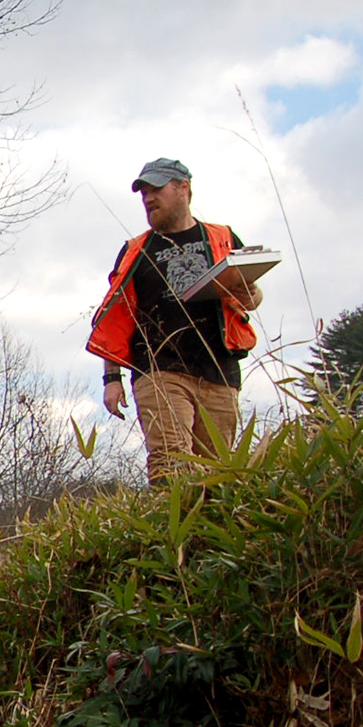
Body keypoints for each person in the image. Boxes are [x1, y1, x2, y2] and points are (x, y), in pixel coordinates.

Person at [88, 158, 263, 483]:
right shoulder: (135, 251)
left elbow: (249, 300)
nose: (149, 199)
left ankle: (207, 533)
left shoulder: (222, 238)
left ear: (184, 188)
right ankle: (172, 532)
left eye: (157, 189)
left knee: (219, 474)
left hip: (219, 373)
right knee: (171, 466)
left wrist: (250, 291)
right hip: (158, 370)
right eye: (144, 194)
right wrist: (111, 379)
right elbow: (113, 318)